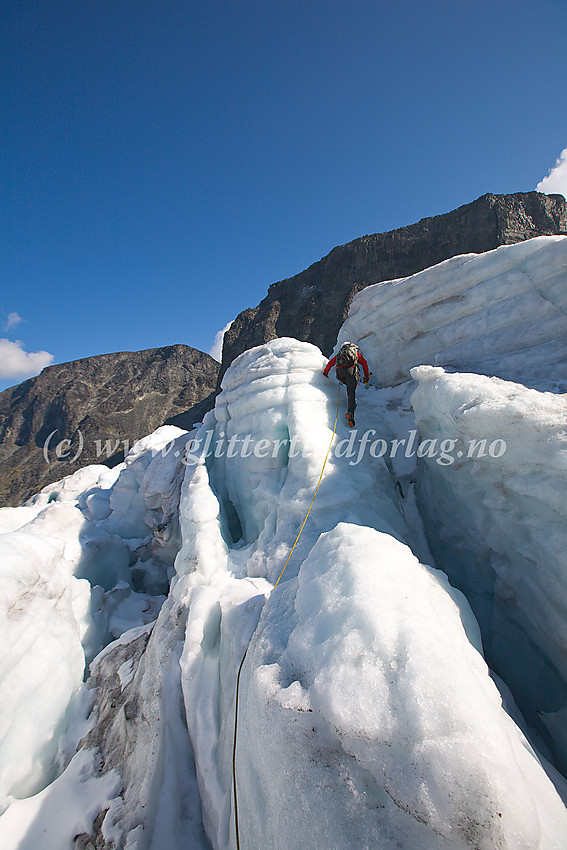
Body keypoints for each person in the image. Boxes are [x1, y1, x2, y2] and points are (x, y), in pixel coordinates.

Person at [323, 341, 370, 427]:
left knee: (348, 386)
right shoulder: (355, 353)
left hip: (340, 373)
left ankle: (352, 404)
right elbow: (364, 363)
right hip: (350, 371)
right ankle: (350, 413)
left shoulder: (340, 355)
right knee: (351, 392)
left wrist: (325, 373)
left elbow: (330, 364)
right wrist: (366, 376)